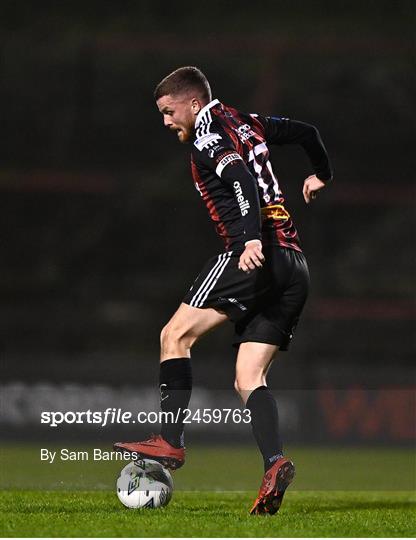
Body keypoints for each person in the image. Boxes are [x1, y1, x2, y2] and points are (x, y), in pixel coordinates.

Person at [114, 66, 333, 515]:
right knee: (248, 378)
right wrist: (321, 173)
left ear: (193, 103)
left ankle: (170, 442)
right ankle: (274, 463)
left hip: (253, 255)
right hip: (294, 264)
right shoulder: (248, 121)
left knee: (174, 336)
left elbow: (239, 177)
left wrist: (250, 237)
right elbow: (307, 132)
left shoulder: (208, 133)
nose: (165, 121)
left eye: (168, 111)